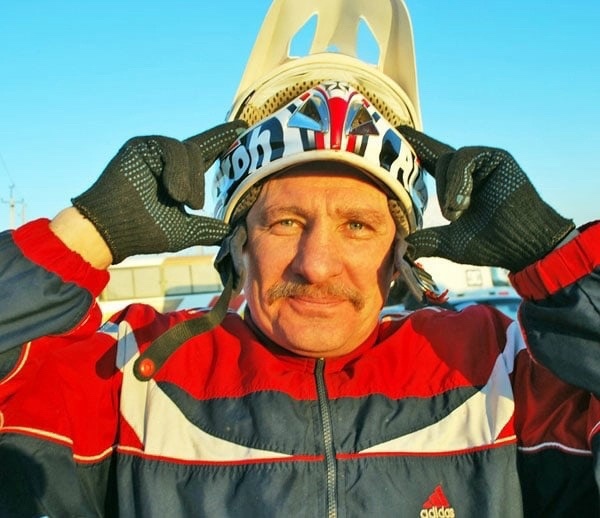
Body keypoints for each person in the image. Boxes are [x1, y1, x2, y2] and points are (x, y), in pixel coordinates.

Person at [0, 79, 599, 518]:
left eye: (358, 226)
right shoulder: (129, 372)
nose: (316, 265)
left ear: (400, 256)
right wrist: (85, 235)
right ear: (238, 246)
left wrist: (552, 254)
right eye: (285, 222)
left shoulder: (503, 365)